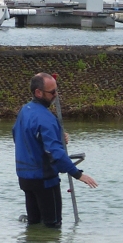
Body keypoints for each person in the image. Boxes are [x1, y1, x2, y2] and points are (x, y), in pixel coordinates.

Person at [14, 72, 98, 228]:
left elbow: (19, 137)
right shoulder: (46, 118)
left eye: (56, 90)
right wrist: (77, 174)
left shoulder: (24, 111)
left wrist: (57, 137)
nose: (56, 95)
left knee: (34, 223)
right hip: (44, 179)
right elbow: (55, 152)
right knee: (52, 226)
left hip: (25, 178)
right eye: (52, 92)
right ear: (38, 92)